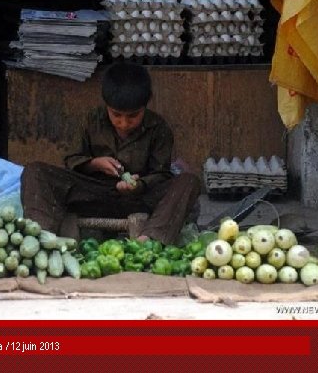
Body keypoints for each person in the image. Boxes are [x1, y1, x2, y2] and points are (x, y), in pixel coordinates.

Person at [21, 62, 200, 244]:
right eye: (116, 115)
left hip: (140, 199)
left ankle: (150, 242)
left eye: (133, 116)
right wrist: (94, 164)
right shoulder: (91, 120)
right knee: (35, 171)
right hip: (93, 194)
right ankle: (39, 237)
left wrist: (139, 185)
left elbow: (161, 174)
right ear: (106, 104)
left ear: (146, 104)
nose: (124, 123)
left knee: (189, 181)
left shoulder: (159, 128)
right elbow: (71, 159)